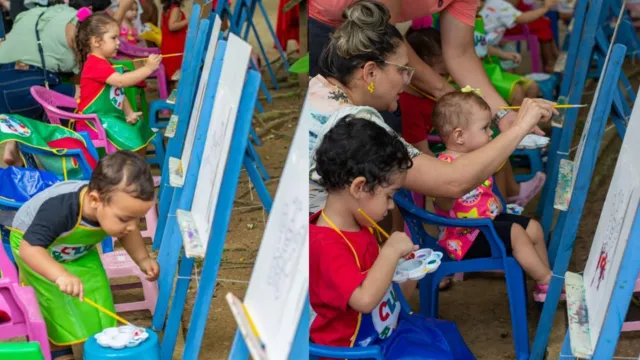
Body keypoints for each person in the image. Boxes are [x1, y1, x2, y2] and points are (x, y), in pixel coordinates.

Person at [310, 115, 475, 358]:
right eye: (389, 195)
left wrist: (405, 271)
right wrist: (389, 252)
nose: (390, 206)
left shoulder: (359, 223)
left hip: (385, 332)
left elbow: (380, 292)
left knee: (446, 335)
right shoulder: (324, 244)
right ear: (359, 187)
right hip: (356, 350)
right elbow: (365, 300)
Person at [309, 0, 542, 135]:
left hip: (377, 33)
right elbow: (385, 38)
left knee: (384, 132)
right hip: (330, 26)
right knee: (350, 132)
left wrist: (502, 113)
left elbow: (460, 53)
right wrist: (443, 91)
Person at [9, 151, 160, 360]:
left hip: (77, 249)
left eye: (138, 219)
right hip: (38, 250)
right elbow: (29, 249)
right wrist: (60, 274)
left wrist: (143, 259)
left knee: (96, 295)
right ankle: (59, 352)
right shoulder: (61, 209)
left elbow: (129, 233)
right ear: (95, 200)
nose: (132, 226)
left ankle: (101, 348)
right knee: (53, 306)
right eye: (125, 219)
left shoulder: (114, 210)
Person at [430, 90, 557, 301]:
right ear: (459, 136)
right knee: (516, 233)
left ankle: (541, 284)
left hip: (485, 225)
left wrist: (493, 201)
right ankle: (546, 280)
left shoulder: (476, 159)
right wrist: (448, 196)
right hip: (464, 238)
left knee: (533, 227)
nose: (491, 133)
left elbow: (480, 193)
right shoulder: (444, 168)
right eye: (485, 128)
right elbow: (443, 201)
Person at [399, 27, 546, 204]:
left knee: (494, 143)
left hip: (453, 144)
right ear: (419, 70)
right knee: (490, 150)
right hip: (441, 154)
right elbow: (423, 152)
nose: (444, 80)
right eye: (441, 74)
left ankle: (504, 198)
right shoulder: (410, 105)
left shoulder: (432, 94)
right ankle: (503, 200)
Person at [0, 0, 135, 166]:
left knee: (44, 95)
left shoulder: (27, 15)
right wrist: (122, 8)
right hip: (29, 83)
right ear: (90, 12)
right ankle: (81, 156)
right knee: (86, 94)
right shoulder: (75, 24)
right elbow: (96, 53)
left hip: (3, 88)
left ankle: (13, 142)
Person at [75, 12, 158, 154]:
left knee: (139, 130)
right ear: (96, 41)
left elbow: (118, 93)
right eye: (113, 38)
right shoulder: (95, 64)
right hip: (94, 122)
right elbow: (121, 82)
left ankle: (135, 170)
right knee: (135, 142)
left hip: (107, 118)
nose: (118, 42)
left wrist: (129, 112)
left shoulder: (103, 62)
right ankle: (132, 172)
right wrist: (148, 68)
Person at [481, 0, 560, 73]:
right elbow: (521, 18)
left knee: (509, 50)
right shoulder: (497, 4)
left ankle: (551, 61)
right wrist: (545, 8)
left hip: (484, 45)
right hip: (485, 48)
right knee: (511, 55)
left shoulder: (474, 5)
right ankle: (549, 64)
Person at [160, 0, 187, 81]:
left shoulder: (166, 9)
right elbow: (171, 26)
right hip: (175, 46)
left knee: (172, 76)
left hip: (167, 44)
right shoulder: (175, 9)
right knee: (176, 75)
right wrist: (188, 20)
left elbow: (162, 26)